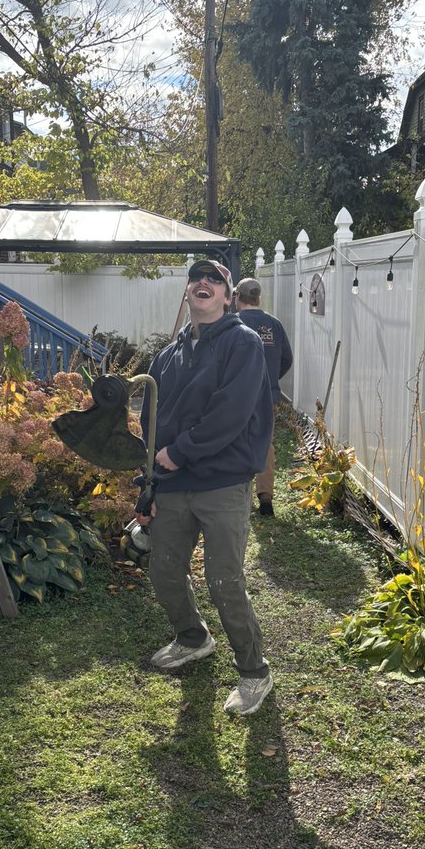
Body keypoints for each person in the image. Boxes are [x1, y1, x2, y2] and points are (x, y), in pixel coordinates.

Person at [137, 257, 275, 715]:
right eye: (196, 278)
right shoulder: (167, 356)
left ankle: (254, 672)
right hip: (172, 483)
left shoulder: (243, 343)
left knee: (224, 580)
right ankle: (193, 637)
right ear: (187, 291)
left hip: (223, 482)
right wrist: (148, 485)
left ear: (228, 296)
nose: (203, 283)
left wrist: (181, 451)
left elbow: (230, 413)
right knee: (163, 570)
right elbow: (151, 423)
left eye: (214, 279)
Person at [233, 277, 293, 516]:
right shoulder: (274, 324)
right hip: (268, 396)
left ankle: (241, 496)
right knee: (265, 442)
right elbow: (286, 358)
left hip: (238, 397)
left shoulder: (234, 324)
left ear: (237, 296)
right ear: (258, 297)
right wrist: (271, 380)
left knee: (237, 441)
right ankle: (265, 497)